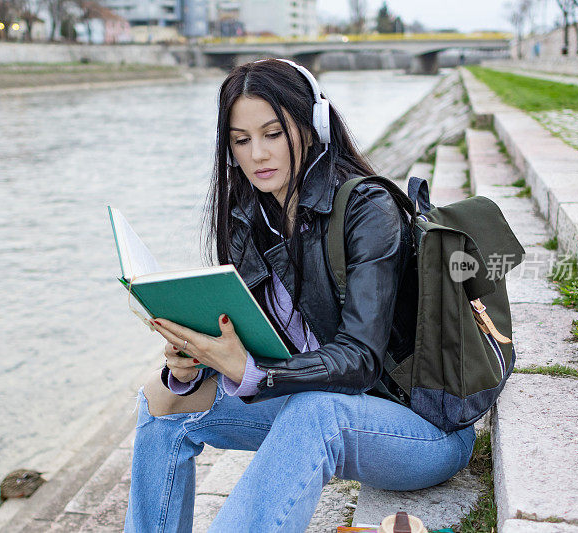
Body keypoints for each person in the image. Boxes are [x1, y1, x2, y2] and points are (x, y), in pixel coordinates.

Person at [124, 58, 476, 532]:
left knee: (315, 410)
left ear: (312, 128)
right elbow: (257, 340)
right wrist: (194, 360)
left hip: (421, 429)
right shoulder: (250, 221)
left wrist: (251, 371)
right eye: (241, 140)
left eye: (273, 134)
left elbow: (360, 361)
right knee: (162, 399)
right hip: (322, 416)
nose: (257, 155)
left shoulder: (368, 211)